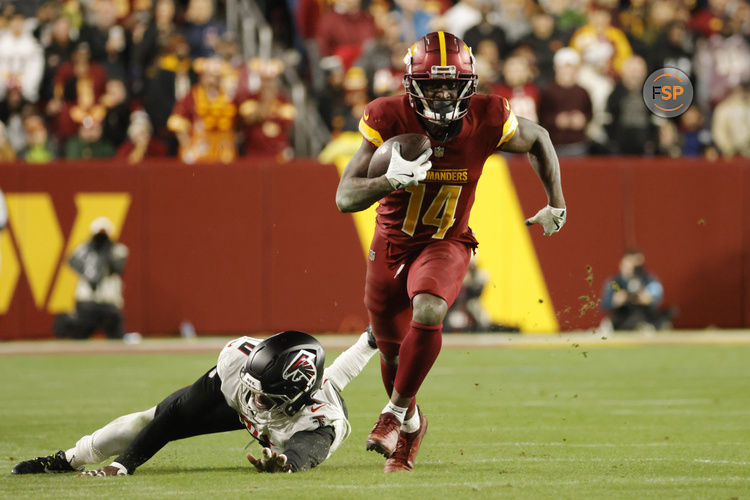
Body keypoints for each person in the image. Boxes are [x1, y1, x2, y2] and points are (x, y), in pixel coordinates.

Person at [335, 31, 566, 473]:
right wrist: (390, 180)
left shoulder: (490, 114)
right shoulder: (386, 115)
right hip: (390, 246)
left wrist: (557, 201)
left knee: (428, 309)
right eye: (433, 83)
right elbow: (345, 197)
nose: (443, 92)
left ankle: (394, 416)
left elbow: (539, 138)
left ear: (470, 82)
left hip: (447, 240)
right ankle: (412, 422)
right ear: (411, 83)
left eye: (451, 83)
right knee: (392, 354)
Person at [12, 329, 379, 476]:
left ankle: (369, 340)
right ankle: (66, 459)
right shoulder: (240, 364)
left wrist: (285, 463)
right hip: (271, 406)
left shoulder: (322, 421)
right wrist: (122, 467)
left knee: (334, 379)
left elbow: (305, 450)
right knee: (149, 419)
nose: (254, 400)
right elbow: (174, 416)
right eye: (252, 389)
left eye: (265, 397)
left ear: (294, 398)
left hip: (283, 431)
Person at [53, 217, 128, 339]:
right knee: (80, 339)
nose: (100, 238)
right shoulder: (83, 250)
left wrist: (104, 252)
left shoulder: (117, 250)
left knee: (117, 339)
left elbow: (118, 267)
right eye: (98, 235)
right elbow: (71, 261)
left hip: (109, 301)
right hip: (87, 302)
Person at [600, 249, 671, 331]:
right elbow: (604, 303)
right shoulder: (614, 282)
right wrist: (615, 300)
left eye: (637, 264)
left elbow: (657, 297)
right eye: (629, 263)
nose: (633, 267)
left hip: (644, 315)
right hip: (623, 316)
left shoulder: (649, 279)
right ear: (622, 264)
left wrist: (647, 298)